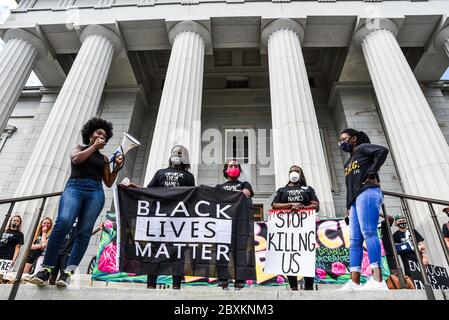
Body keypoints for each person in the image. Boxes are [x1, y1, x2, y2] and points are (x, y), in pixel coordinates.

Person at [30, 117, 123, 287]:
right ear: (90, 134)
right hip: (74, 188)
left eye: (104, 135)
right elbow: (76, 160)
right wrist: (94, 147)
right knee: (63, 222)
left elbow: (108, 182)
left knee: (84, 232)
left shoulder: (103, 159)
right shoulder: (79, 148)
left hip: (95, 191)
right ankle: (47, 268)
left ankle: (68, 272)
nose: (102, 136)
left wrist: (116, 167)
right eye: (98, 133)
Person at [127, 145, 195, 290]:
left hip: (178, 221)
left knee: (177, 252)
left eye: (181, 153)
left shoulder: (189, 176)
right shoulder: (160, 172)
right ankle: (151, 286)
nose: (177, 154)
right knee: (155, 250)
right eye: (176, 152)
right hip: (159, 219)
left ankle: (176, 287)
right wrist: (135, 187)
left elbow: (192, 197)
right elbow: (149, 191)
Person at [337, 128, 389, 291]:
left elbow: (382, 150)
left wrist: (372, 172)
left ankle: (377, 279)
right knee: (354, 241)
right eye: (340, 140)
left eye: (344, 139)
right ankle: (354, 281)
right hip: (354, 199)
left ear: (353, 139)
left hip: (368, 192)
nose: (341, 142)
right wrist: (348, 206)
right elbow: (349, 185)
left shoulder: (362, 148)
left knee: (369, 232)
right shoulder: (347, 162)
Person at [271, 165, 319, 291]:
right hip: (287, 229)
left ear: (301, 175)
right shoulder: (282, 190)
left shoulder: (308, 189)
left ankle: (309, 289)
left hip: (305, 229)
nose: (294, 172)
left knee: (306, 257)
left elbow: (315, 205)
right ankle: (293, 288)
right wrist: (291, 204)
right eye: (292, 171)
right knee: (289, 257)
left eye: (297, 171)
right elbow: (275, 205)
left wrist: (302, 207)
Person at [215, 160, 254, 290]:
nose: (233, 167)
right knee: (223, 254)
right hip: (223, 225)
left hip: (240, 224)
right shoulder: (219, 186)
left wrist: (227, 196)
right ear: (226, 169)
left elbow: (246, 194)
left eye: (236, 166)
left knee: (240, 253)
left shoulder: (244, 184)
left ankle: (239, 283)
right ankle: (223, 282)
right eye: (231, 166)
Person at [49, 221, 104, 285]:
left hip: (67, 253)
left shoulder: (77, 225)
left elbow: (86, 235)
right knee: (53, 274)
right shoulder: (63, 224)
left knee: (63, 275)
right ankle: (51, 289)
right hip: (57, 252)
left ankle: (61, 289)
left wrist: (98, 229)